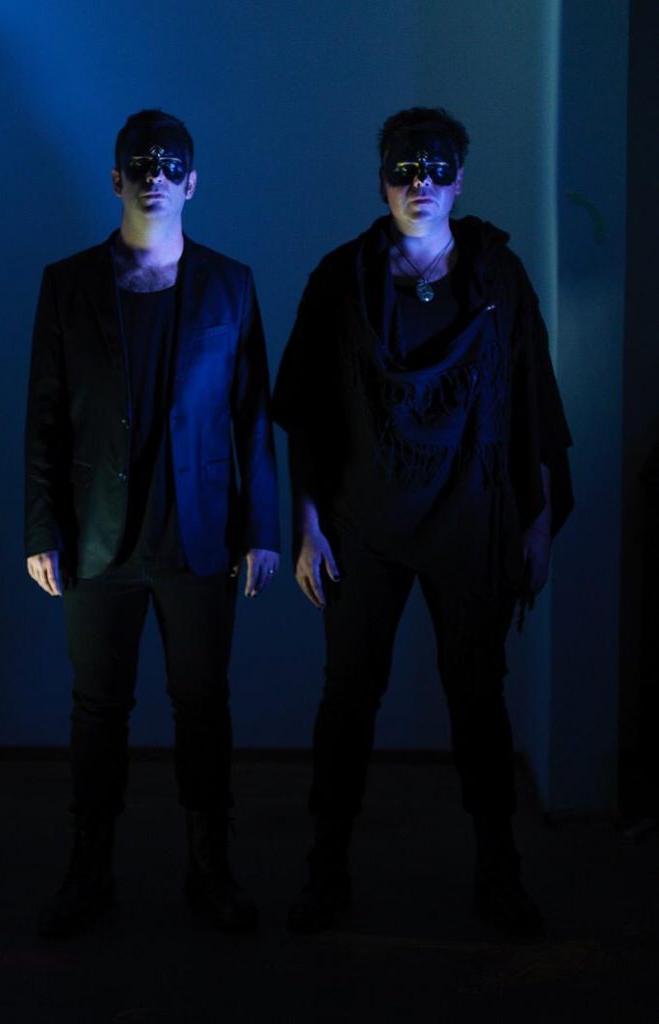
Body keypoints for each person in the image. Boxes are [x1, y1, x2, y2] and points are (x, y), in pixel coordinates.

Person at [272, 107, 572, 936]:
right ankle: (326, 867)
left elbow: (534, 401)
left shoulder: (496, 277)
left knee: (477, 698)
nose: (420, 184)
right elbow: (306, 412)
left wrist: (537, 522)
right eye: (404, 171)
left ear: (458, 180)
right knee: (348, 695)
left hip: (470, 518)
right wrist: (307, 526)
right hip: (362, 520)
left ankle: (498, 871)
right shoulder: (342, 278)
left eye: (435, 169)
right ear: (382, 183)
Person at [25, 109, 279, 938]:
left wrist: (262, 527)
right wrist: (40, 527)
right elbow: (44, 417)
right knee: (97, 709)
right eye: (140, 163)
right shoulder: (67, 284)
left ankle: (210, 868)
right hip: (98, 537)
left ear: (192, 181)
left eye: (171, 164)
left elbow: (252, 415)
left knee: (203, 704)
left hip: (199, 535)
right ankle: (87, 870)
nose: (155, 175)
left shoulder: (231, 283)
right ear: (117, 179)